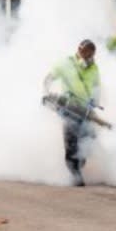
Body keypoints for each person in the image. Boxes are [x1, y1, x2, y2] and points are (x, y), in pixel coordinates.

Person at [43, 39, 101, 186]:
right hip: (69, 108)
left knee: (89, 139)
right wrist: (47, 90)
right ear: (80, 51)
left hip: (86, 110)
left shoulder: (94, 68)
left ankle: (78, 166)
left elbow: (96, 86)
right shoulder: (66, 64)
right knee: (72, 141)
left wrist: (94, 101)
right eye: (87, 54)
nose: (90, 58)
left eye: (92, 55)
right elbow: (49, 77)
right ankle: (75, 174)